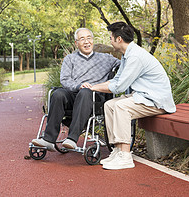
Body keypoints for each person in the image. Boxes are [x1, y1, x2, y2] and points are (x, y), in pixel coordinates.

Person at [91, 21, 176, 170]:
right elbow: (117, 80)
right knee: (109, 105)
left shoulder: (135, 56)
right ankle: (118, 151)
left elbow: (119, 87)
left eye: (111, 37)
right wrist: (94, 86)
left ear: (119, 39)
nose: (110, 40)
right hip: (144, 96)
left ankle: (125, 156)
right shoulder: (127, 54)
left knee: (121, 106)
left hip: (156, 100)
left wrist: (95, 88)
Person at [31, 28, 120, 151]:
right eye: (82, 39)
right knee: (58, 94)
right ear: (76, 43)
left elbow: (125, 66)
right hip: (74, 94)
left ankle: (72, 139)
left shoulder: (107, 58)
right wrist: (78, 85)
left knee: (85, 92)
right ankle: (48, 140)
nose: (86, 42)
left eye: (89, 38)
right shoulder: (70, 59)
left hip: (94, 98)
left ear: (93, 40)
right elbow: (65, 80)